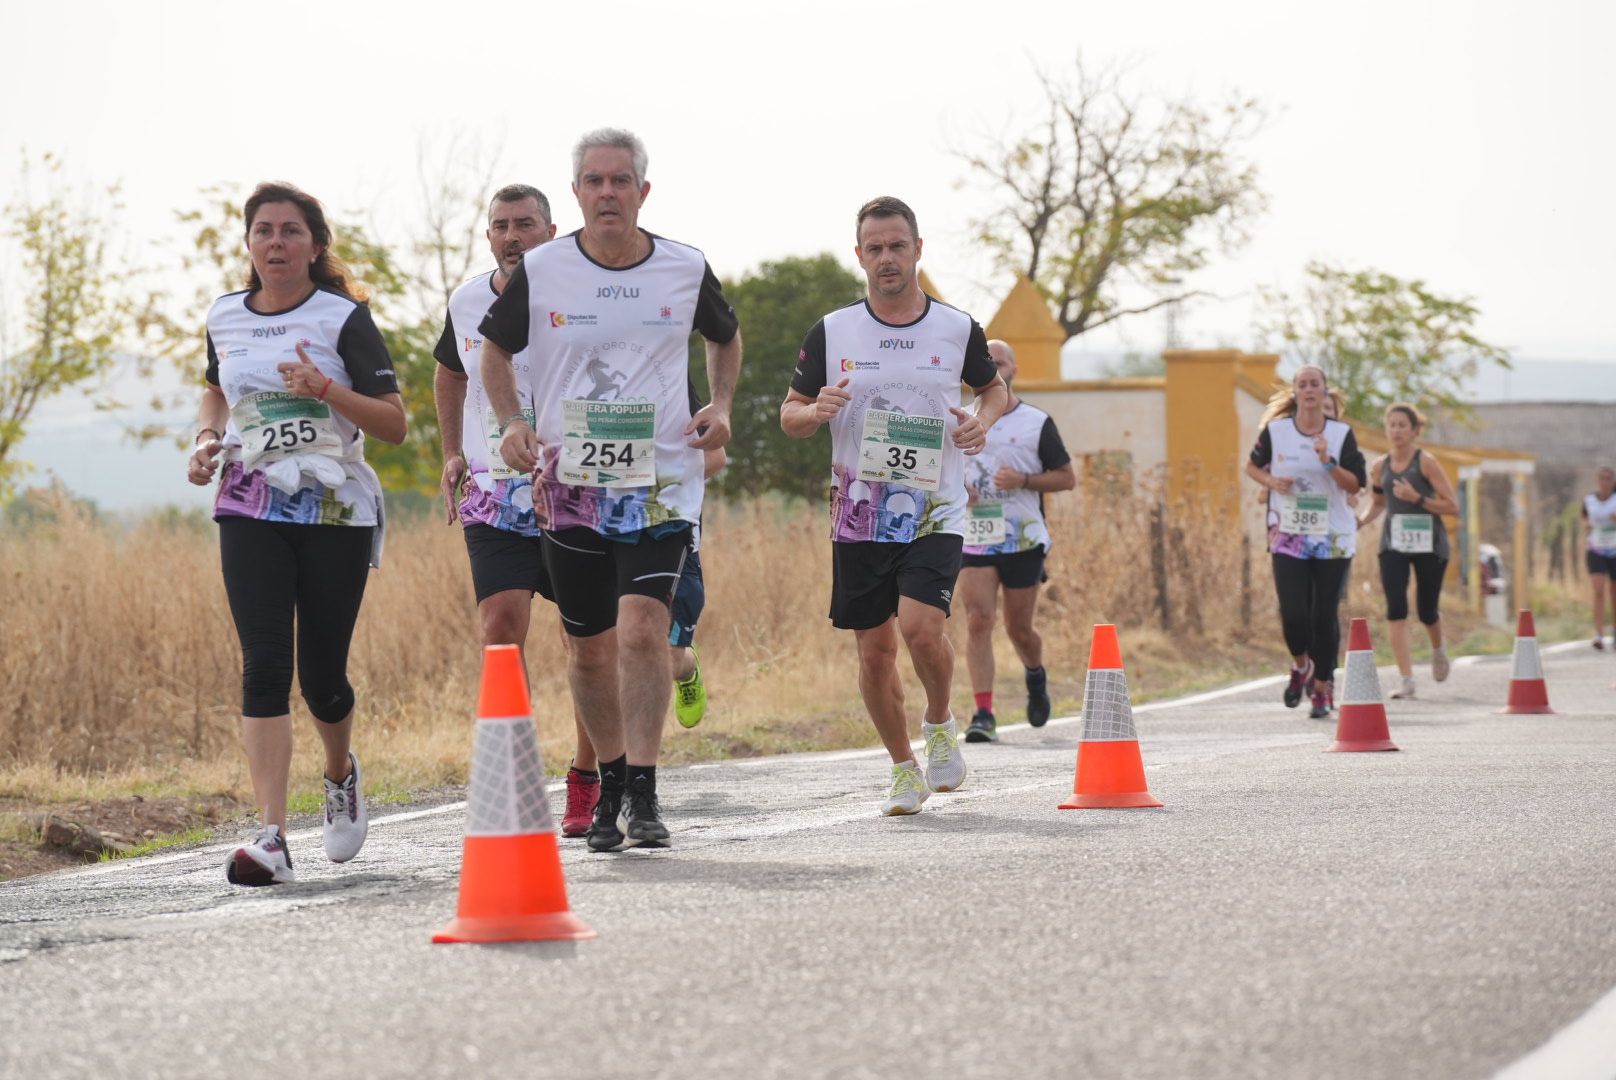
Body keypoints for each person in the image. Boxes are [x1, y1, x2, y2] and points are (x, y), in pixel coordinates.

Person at [480, 128, 741, 852]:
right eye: (593, 182)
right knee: (588, 648)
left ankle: (645, 790)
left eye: (620, 181)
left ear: (642, 192)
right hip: (571, 489)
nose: (606, 193)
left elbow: (727, 335)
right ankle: (613, 781)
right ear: (577, 194)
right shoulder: (544, 268)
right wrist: (510, 422)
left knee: (641, 630)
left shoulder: (685, 268)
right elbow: (494, 349)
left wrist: (719, 406)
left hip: (660, 484)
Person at [186, 182, 406, 885]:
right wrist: (205, 435)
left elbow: (394, 424)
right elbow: (217, 385)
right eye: (263, 231)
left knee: (322, 680)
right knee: (264, 666)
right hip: (249, 500)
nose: (276, 243)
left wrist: (325, 391)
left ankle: (339, 772)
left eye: (289, 231)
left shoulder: (343, 318)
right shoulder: (224, 315)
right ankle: (272, 837)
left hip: (334, 509)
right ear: (248, 244)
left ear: (315, 246)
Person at [781, 195, 1008, 815]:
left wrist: (981, 422)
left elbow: (994, 389)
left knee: (919, 627)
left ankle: (938, 721)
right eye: (874, 248)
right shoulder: (832, 332)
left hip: (935, 506)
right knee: (874, 651)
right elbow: (790, 414)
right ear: (859, 256)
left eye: (897, 246)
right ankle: (903, 768)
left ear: (917, 249)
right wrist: (815, 410)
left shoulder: (956, 327)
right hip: (860, 512)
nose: (886, 258)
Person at [430, 184, 613, 833]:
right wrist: (453, 450)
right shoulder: (467, 302)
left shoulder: (588, 293)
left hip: (578, 494)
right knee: (499, 626)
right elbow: (451, 373)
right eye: (501, 226)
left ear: (551, 231)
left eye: (525, 225)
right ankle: (512, 778)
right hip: (494, 495)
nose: (512, 236)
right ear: (488, 237)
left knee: (587, 644)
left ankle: (589, 775)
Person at [958, 340, 1075, 742]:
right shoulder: (959, 419)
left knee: (1019, 629)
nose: (993, 367)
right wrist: (959, 490)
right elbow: (937, 474)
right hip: (974, 537)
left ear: (1013, 370)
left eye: (1000, 361)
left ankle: (1035, 674)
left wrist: (1024, 481)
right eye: (986, 362)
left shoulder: (1036, 423)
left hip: (1023, 538)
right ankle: (983, 713)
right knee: (978, 619)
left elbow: (1066, 477)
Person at [1244, 365, 1366, 720]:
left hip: (1333, 536)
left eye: (1316, 384)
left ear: (1325, 392)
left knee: (1323, 614)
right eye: (1303, 384)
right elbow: (1251, 467)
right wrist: (1270, 482)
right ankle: (1302, 665)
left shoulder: (1342, 434)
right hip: (1289, 534)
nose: (1310, 389)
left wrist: (1328, 463)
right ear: (1295, 392)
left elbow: (1355, 484)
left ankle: (1323, 689)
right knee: (1294, 613)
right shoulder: (1276, 431)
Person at [1357, 403, 1457, 699]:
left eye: (1403, 425)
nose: (1397, 430)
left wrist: (1417, 498)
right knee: (1396, 609)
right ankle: (1406, 679)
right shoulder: (1379, 467)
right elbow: (1377, 503)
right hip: (1394, 543)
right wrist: (1360, 522)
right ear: (1386, 429)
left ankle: (1438, 650)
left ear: (1414, 431)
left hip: (1430, 544)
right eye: (1392, 425)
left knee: (1426, 610)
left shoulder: (1425, 463)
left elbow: (1452, 505)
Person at [1583, 465, 1616, 649]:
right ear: (1597, 481)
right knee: (1598, 589)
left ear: (1613, 482)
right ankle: (1598, 634)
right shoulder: (1589, 500)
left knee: (1614, 592)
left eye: (1608, 479)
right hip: (1596, 549)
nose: (1604, 482)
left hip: (1615, 550)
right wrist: (1588, 524)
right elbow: (1584, 519)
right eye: (1601, 478)